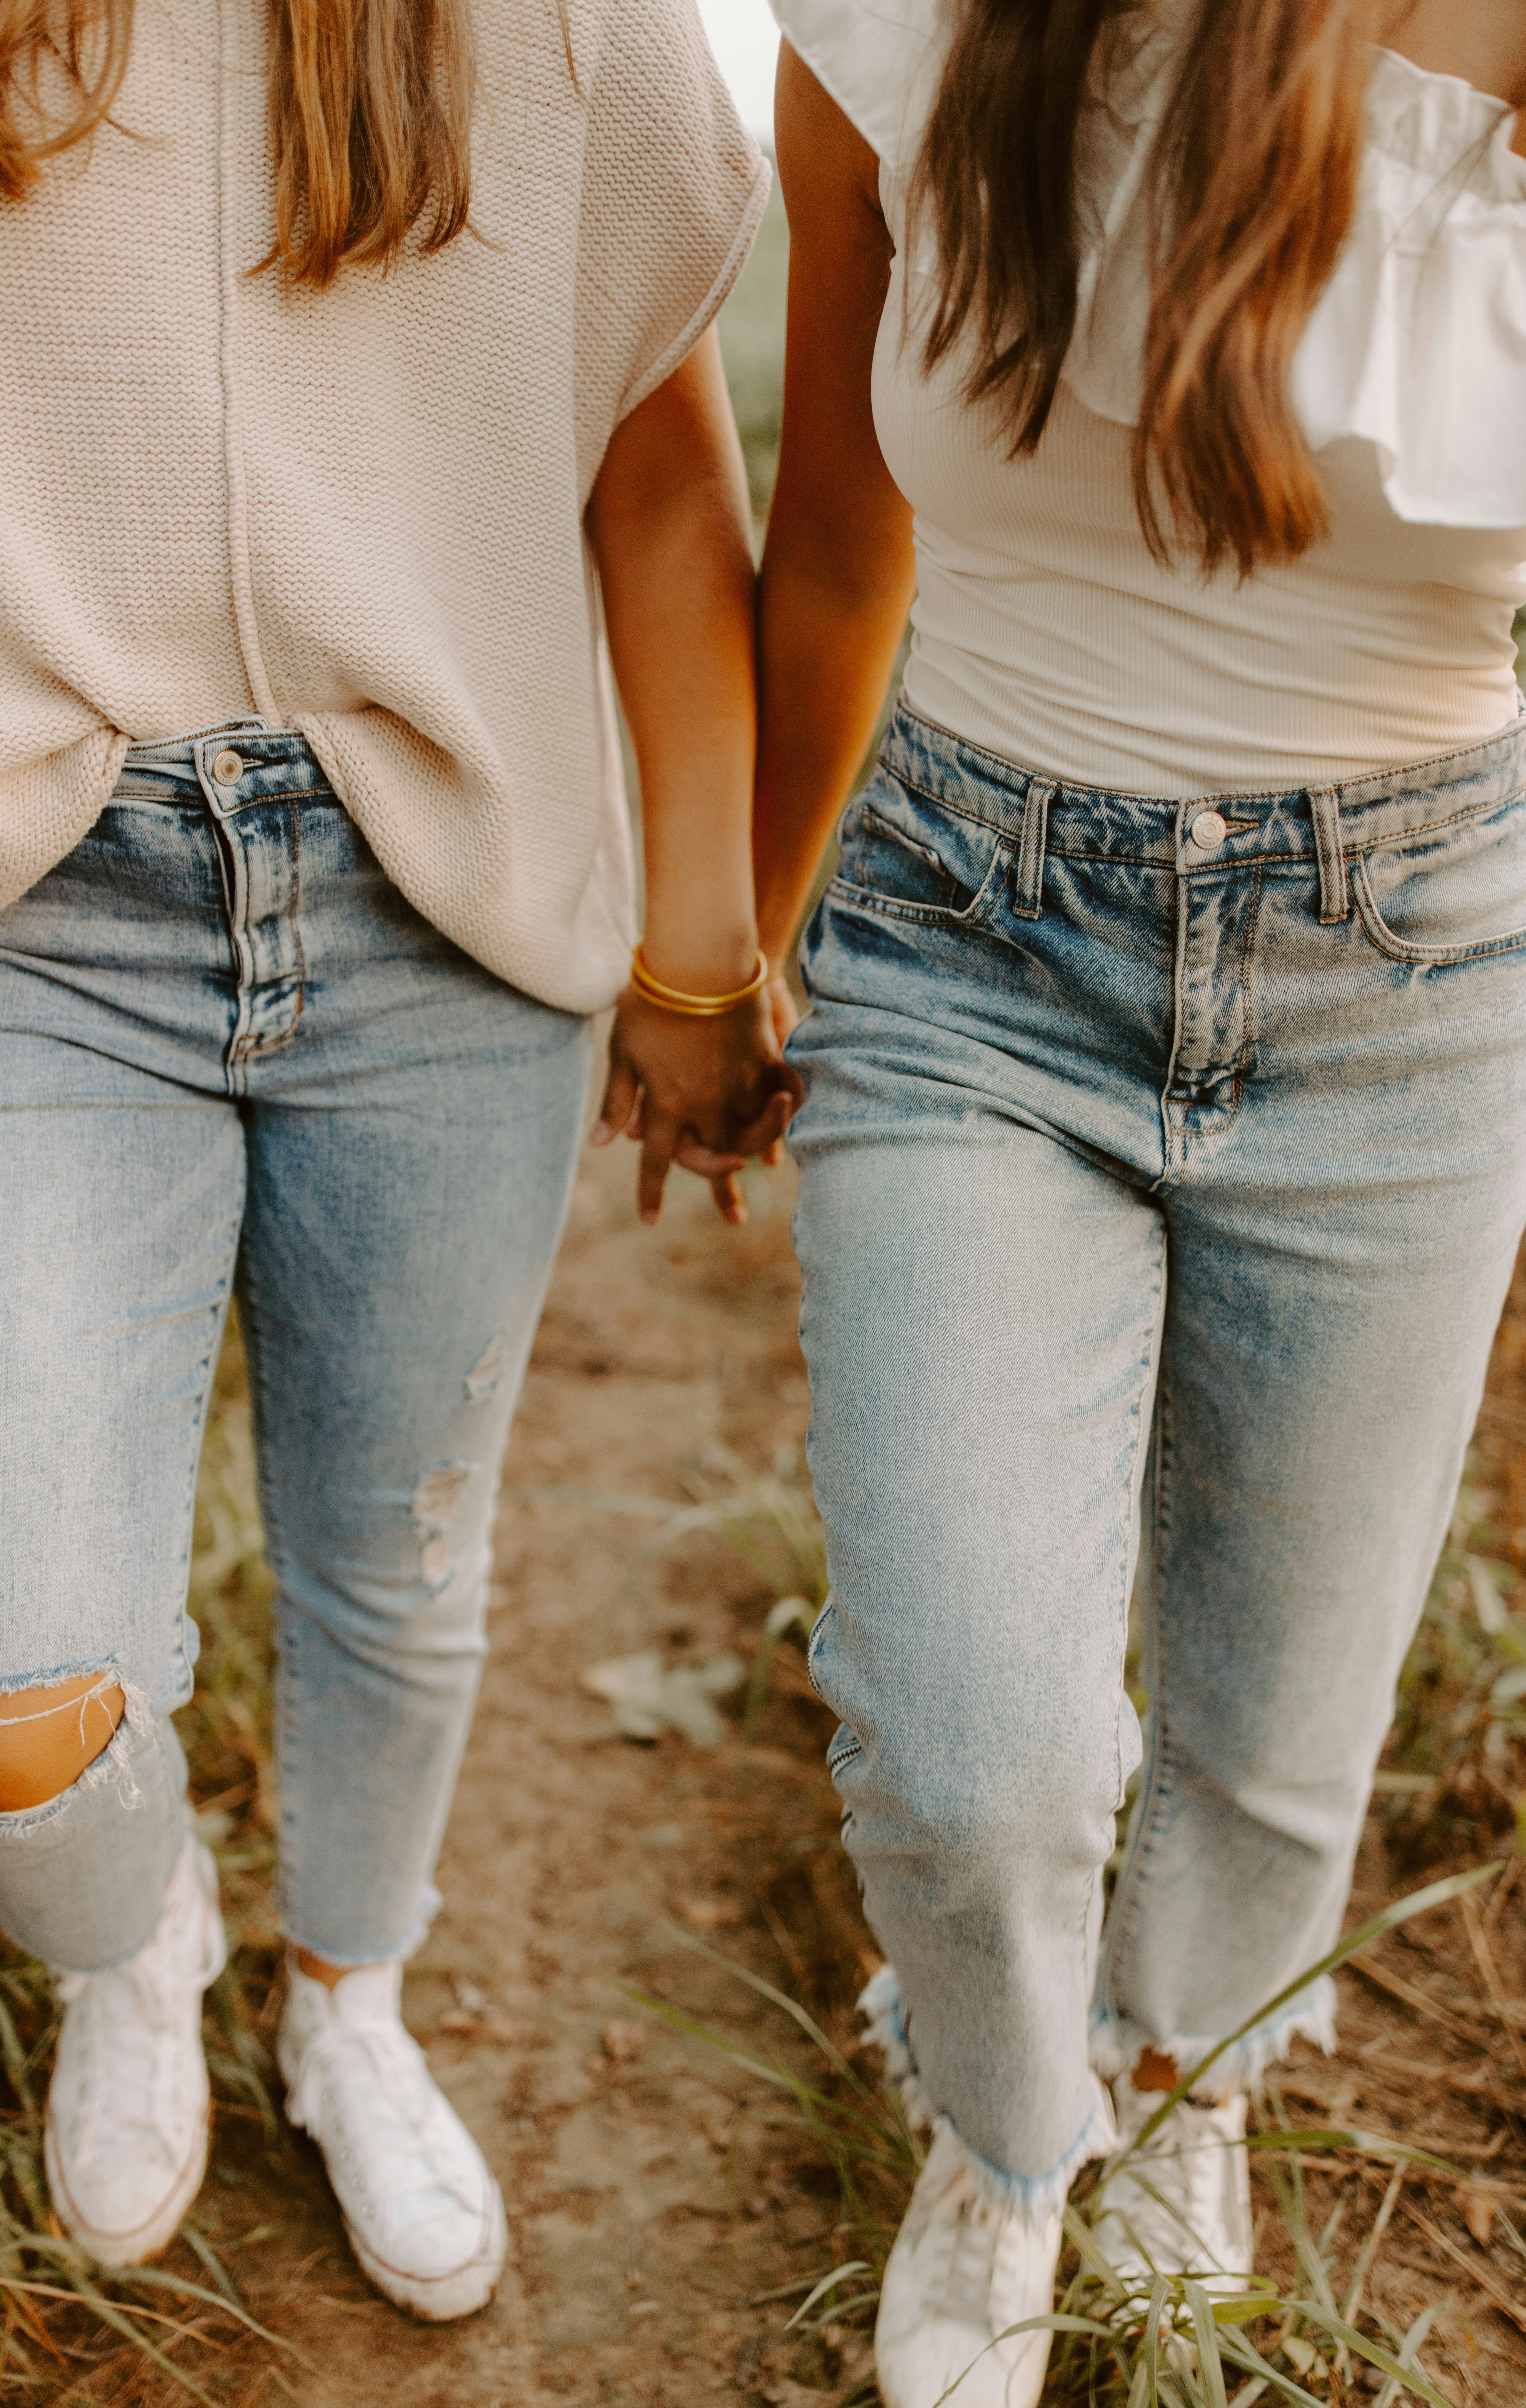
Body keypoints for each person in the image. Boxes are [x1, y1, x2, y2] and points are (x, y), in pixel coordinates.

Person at [0, 0, 795, 2320]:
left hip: (435, 903)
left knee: (397, 1554)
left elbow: (661, 479)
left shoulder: (564, 33)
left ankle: (345, 1995)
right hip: (18, 902)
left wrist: (701, 958)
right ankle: (139, 1947)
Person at [754, 0, 1526, 2399]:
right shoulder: (908, 26)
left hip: (1410, 976)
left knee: (1278, 1734)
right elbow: (832, 529)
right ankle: (998, 2119)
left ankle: (1171, 2086)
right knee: (966, 1738)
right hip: (967, 938)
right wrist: (724, 938)